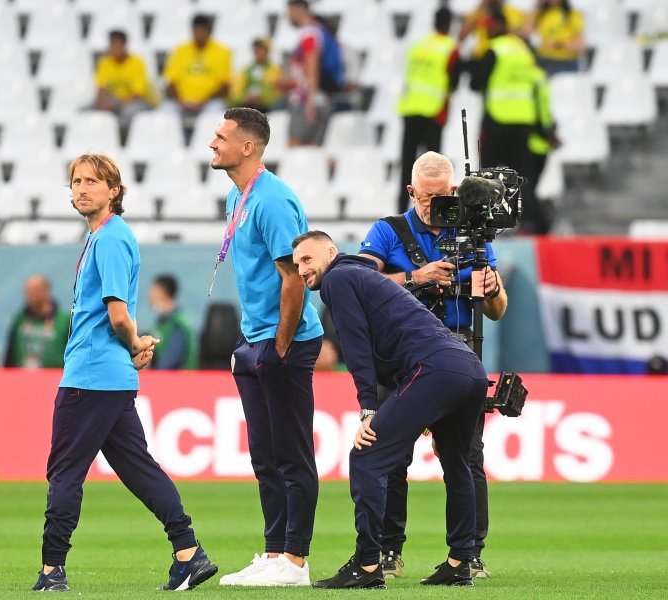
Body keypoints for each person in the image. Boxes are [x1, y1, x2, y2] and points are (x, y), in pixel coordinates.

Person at [32, 153, 217, 592]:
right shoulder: (105, 237)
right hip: (108, 377)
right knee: (138, 469)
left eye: (92, 181)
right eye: (75, 181)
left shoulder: (111, 238)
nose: (81, 188)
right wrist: (135, 345)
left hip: (91, 376)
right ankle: (188, 552)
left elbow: (117, 315)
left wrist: (135, 342)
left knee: (65, 472)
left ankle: (51, 570)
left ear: (114, 191)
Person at [291, 231, 488, 589]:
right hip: (468, 367)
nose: (302, 270)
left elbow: (355, 343)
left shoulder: (339, 277)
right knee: (457, 463)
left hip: (434, 369)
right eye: (296, 265)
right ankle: (461, 560)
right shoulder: (363, 276)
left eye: (307, 259)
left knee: (366, 456)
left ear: (331, 252)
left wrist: (368, 408)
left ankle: (367, 565)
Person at [358, 151, 507, 580]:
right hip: (400, 361)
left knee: (464, 459)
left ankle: (468, 554)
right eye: (426, 197)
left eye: (442, 196)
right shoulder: (388, 232)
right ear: (411, 191)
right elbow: (362, 286)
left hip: (457, 358)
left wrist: (492, 286)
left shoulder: (475, 235)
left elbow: (497, 310)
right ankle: (388, 551)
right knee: (390, 456)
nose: (434, 205)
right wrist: (416, 279)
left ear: (455, 190)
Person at [209, 107, 324, 586]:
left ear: (248, 146)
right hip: (257, 338)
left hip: (285, 342)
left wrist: (279, 346)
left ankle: (295, 561)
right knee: (265, 455)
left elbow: (294, 278)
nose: (213, 144)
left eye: (221, 137)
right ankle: (275, 552)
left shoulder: (272, 200)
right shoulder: (242, 195)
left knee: (292, 454)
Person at [397, 7, 459, 212]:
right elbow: (453, 83)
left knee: (408, 165)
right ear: (450, 25)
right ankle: (433, 210)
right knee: (433, 169)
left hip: (410, 108)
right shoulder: (450, 47)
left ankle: (400, 210)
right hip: (433, 112)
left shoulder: (418, 46)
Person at [470, 8, 538, 197]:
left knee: (489, 174)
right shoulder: (523, 49)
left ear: (499, 26)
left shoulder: (495, 50)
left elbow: (475, 83)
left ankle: (489, 220)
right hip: (523, 119)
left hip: (497, 120)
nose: (487, 32)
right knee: (520, 175)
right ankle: (525, 221)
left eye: (489, 27)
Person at [285, 0, 344, 146]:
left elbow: (312, 66)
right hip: (321, 97)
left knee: (296, 146)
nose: (288, 16)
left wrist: (310, 102)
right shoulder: (321, 31)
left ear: (299, 9)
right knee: (313, 149)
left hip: (307, 99)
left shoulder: (310, 34)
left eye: (289, 11)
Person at [163, 14, 232, 122]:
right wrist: (180, 101)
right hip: (182, 102)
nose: (198, 35)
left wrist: (203, 102)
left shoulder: (222, 52)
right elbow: (171, 81)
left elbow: (224, 85)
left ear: (208, 32)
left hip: (209, 103)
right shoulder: (180, 50)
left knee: (214, 114)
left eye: (201, 31)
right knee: (166, 113)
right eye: (196, 31)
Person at [4, 275, 70, 369]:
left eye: (35, 290)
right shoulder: (20, 318)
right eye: (28, 291)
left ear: (46, 290)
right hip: (22, 378)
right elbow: (10, 353)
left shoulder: (64, 319)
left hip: (54, 377)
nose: (31, 295)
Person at [92, 30, 157, 126]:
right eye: (112, 45)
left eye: (117, 45)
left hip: (136, 101)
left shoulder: (137, 62)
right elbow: (101, 88)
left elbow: (137, 93)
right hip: (113, 101)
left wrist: (114, 105)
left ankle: (123, 139)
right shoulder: (105, 62)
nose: (115, 48)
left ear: (124, 45)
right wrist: (102, 103)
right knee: (87, 110)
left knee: (128, 113)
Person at [525, 65, 560, 234]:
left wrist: (547, 134)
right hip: (540, 144)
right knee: (528, 188)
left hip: (532, 143)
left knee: (527, 189)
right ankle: (536, 225)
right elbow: (545, 111)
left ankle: (541, 227)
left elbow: (538, 112)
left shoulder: (528, 79)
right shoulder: (540, 77)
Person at [148, 273, 197, 370]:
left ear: (162, 292)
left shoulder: (178, 325)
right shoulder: (162, 324)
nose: (150, 297)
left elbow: (168, 364)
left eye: (153, 291)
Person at [525, 0, 585, 76]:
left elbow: (579, 45)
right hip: (543, 61)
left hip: (565, 63)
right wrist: (536, 6)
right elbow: (526, 32)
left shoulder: (572, 14)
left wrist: (555, 44)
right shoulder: (541, 14)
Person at [229, 38, 284, 114]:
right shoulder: (245, 71)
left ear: (267, 51)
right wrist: (245, 98)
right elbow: (236, 92)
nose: (259, 52)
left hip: (267, 107)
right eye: (257, 49)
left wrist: (262, 98)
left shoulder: (275, 70)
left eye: (262, 49)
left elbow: (277, 93)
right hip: (247, 105)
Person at [460, 0, 526, 60]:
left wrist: (503, 28)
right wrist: (481, 9)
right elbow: (461, 36)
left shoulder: (513, 12)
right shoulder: (478, 13)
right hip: (481, 57)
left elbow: (522, 35)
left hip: (504, 56)